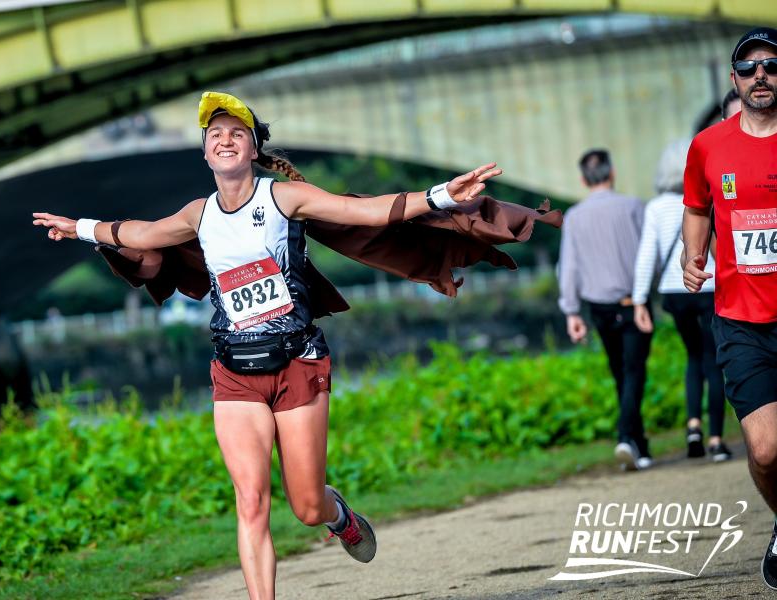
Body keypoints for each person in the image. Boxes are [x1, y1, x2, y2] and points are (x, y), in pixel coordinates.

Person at [32, 91, 503, 600]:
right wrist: (78, 228)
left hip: (297, 363)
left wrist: (442, 197)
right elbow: (142, 236)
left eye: (237, 133)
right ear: (206, 153)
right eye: (215, 135)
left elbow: (361, 211)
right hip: (234, 373)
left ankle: (338, 515)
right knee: (250, 502)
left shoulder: (282, 199)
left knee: (305, 507)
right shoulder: (199, 213)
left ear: (253, 149)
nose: (225, 140)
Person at [681, 27, 777, 590]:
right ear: (734, 78)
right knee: (765, 452)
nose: (761, 74)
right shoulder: (708, 146)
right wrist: (693, 255)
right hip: (741, 320)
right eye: (750, 66)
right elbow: (697, 207)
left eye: (772, 64)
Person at [632, 140, 730, 462]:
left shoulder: (656, 208)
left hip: (676, 294)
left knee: (692, 357)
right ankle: (716, 439)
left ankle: (692, 428)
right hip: (709, 287)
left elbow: (648, 255)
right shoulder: (708, 197)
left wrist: (639, 301)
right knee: (713, 359)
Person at [558, 149, 652, 471]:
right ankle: (627, 437)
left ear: (583, 179)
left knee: (620, 371)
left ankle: (639, 444)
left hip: (598, 307)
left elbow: (567, 267)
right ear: (612, 173)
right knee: (634, 370)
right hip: (634, 302)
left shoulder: (574, 217)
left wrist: (571, 312)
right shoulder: (634, 207)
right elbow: (648, 254)